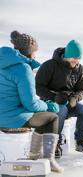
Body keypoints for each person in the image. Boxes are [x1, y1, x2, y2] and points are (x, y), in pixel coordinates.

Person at [0, 31, 63, 172]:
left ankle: (34, 155)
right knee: (51, 117)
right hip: (12, 118)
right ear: (29, 52)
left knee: (40, 116)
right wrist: (50, 105)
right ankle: (48, 159)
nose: (36, 54)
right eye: (35, 51)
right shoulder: (23, 68)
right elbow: (31, 104)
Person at [35, 40, 83, 158]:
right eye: (73, 57)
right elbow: (38, 87)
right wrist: (54, 97)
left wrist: (75, 98)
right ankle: (54, 142)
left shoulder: (80, 69)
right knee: (60, 110)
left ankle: (80, 141)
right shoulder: (50, 65)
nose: (76, 61)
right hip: (50, 102)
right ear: (66, 56)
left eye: (78, 58)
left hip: (69, 102)